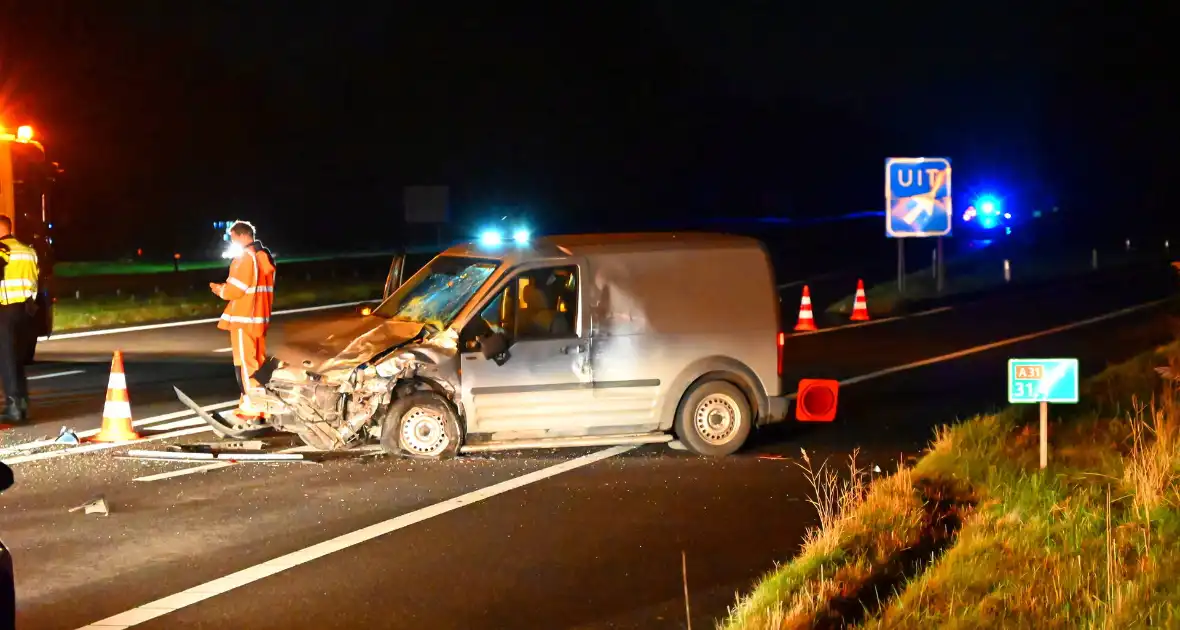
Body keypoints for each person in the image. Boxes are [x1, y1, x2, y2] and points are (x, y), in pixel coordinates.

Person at [209, 220, 276, 420]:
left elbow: (235, 290)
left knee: (246, 364)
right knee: (259, 362)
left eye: (232, 238)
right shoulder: (264, 257)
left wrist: (219, 289)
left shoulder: (245, 259)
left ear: (240, 236)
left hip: (243, 318)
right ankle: (263, 403)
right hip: (259, 318)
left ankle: (253, 407)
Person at [0, 216, 38, 423]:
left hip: (4, 308)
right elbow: (35, 280)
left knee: (5, 359)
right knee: (16, 359)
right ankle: (22, 403)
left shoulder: (2, 250)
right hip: (25, 311)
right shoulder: (28, 251)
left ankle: (13, 406)